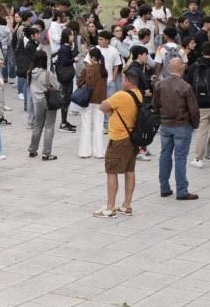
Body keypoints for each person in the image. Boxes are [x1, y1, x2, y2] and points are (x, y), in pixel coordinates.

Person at [95, 68, 143, 218]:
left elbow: (103, 106)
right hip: (133, 138)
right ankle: (127, 205)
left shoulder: (121, 95)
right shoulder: (138, 95)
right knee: (130, 171)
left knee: (112, 171)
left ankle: (110, 207)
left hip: (119, 139)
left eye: (123, 79)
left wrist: (109, 106)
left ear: (127, 81)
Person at [154, 57, 199, 200]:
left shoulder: (160, 85)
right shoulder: (185, 86)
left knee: (164, 155)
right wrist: (194, 124)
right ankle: (182, 190)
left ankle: (164, 187)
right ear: (181, 68)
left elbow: (155, 104)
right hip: (181, 125)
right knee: (180, 158)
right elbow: (193, 109)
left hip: (166, 124)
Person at [75, 48, 108, 160]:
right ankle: (99, 152)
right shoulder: (104, 70)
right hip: (100, 100)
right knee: (99, 125)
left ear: (91, 57)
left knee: (86, 124)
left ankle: (85, 151)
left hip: (88, 100)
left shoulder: (87, 69)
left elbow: (79, 82)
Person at [25, 51, 57, 161]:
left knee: (37, 126)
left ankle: (32, 150)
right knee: (49, 127)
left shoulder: (30, 73)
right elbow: (57, 86)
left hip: (37, 102)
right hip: (49, 101)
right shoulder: (47, 73)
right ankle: (46, 153)